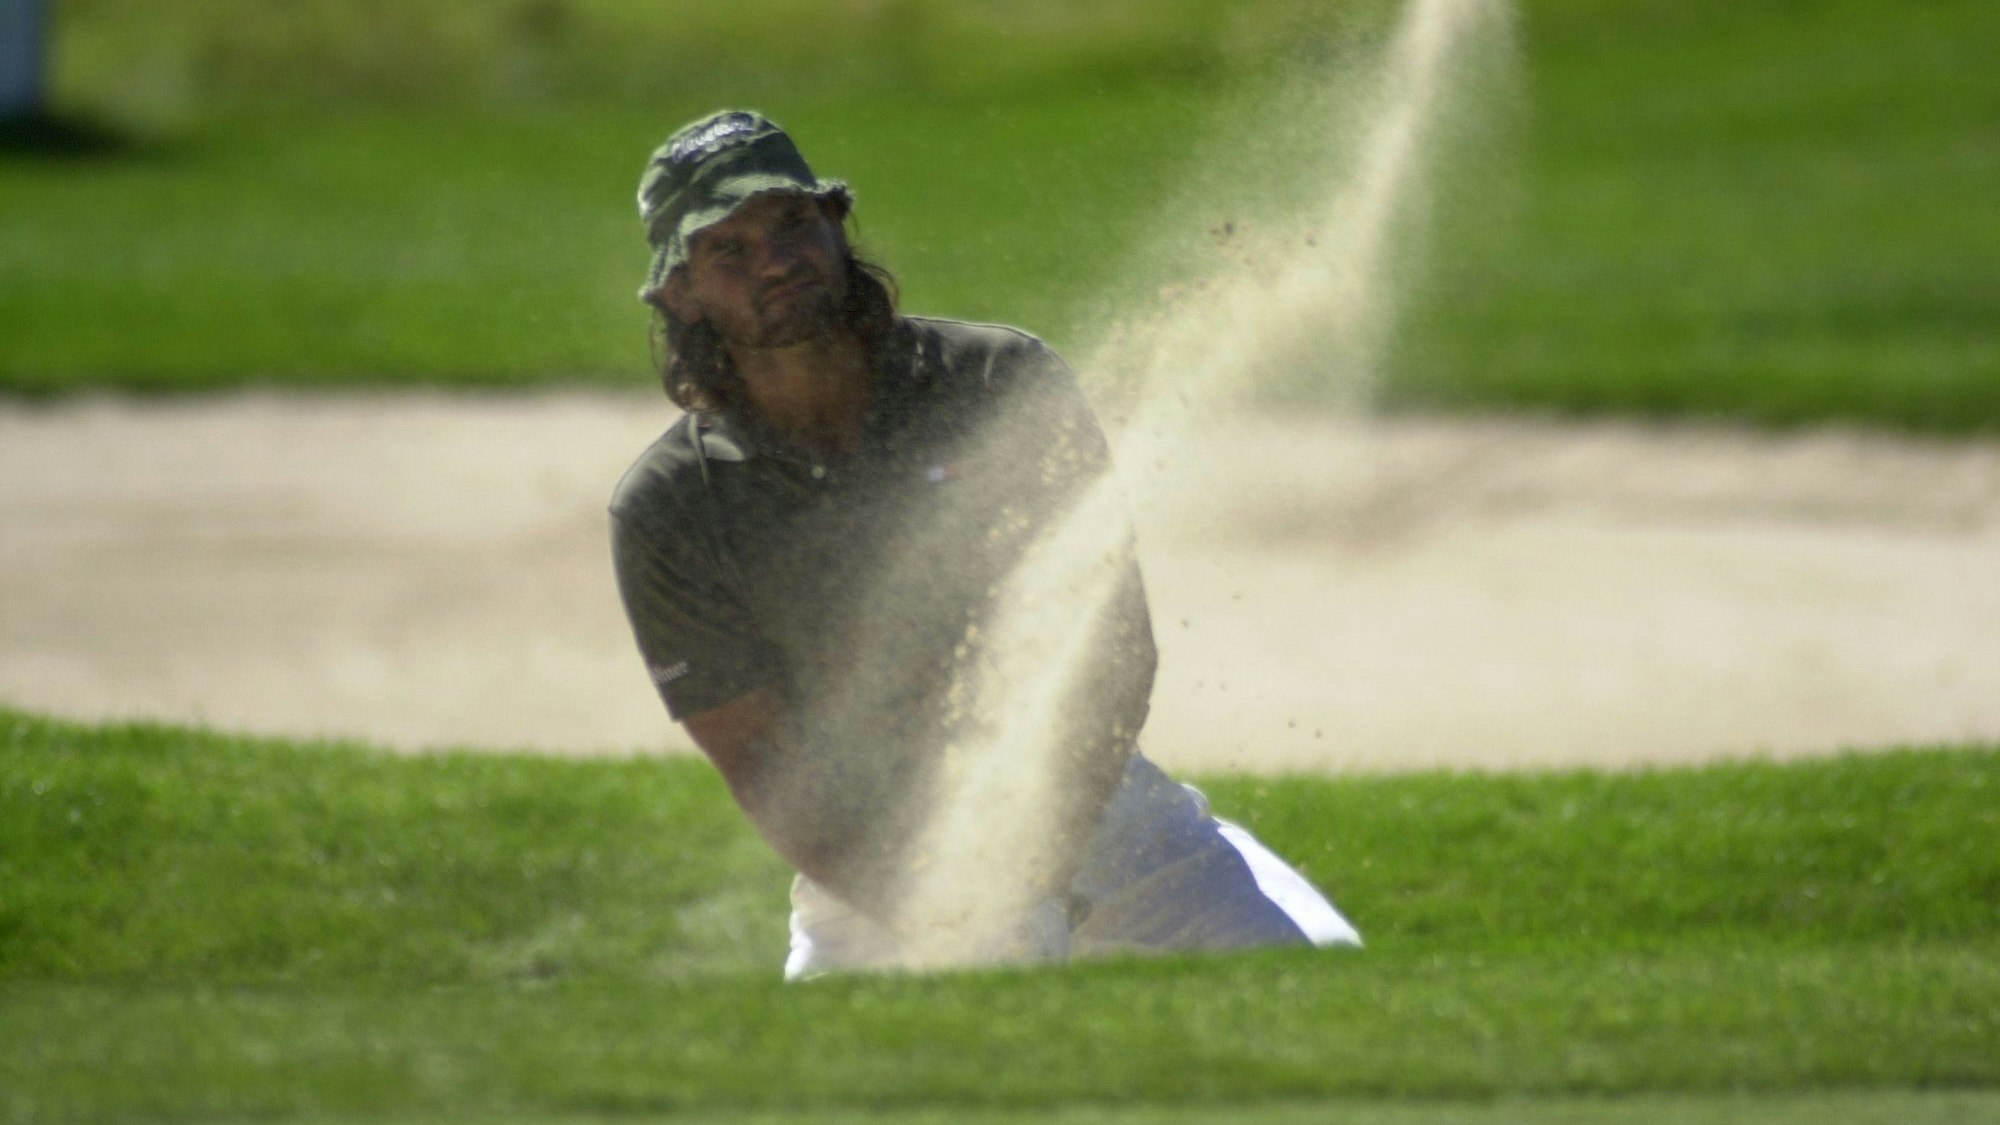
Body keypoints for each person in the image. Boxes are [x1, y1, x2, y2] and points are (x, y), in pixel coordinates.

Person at [610, 110, 1359, 979]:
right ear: (680, 293)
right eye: (729, 250)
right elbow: (770, 770)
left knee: (1324, 987)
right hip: (875, 876)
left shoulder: (997, 380)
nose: (775, 259)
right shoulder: (670, 506)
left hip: (1107, 818)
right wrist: (959, 907)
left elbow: (1112, 645)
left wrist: (1037, 868)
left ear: (836, 225)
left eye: (791, 223)